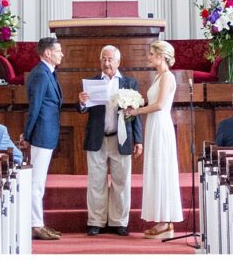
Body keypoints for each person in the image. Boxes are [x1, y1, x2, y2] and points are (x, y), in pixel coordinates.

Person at [78, 44, 143, 236]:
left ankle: (119, 221)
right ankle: (95, 220)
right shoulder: (92, 82)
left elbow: (136, 114)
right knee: (96, 181)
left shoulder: (130, 83)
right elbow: (84, 109)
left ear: (118, 61)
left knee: (121, 182)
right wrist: (82, 102)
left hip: (121, 138)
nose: (107, 63)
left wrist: (138, 140)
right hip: (97, 138)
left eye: (110, 59)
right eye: (104, 59)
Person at [125, 40, 182, 239]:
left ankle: (166, 222)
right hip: (154, 124)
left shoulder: (167, 76)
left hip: (161, 123)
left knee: (162, 170)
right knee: (156, 170)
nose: (148, 57)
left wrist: (136, 110)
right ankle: (161, 221)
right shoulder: (158, 76)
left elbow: (159, 105)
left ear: (161, 55)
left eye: (151, 53)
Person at [19, 36, 64, 241]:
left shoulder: (48, 72)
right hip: (41, 135)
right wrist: (27, 135)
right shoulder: (40, 74)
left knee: (40, 183)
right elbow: (34, 107)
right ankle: (35, 225)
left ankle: (38, 223)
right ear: (48, 53)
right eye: (58, 51)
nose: (61, 54)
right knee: (36, 184)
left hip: (47, 133)